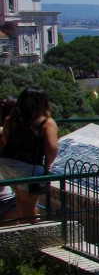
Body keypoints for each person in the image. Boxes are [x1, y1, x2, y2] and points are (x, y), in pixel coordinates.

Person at [0, 87, 58, 224]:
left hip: (6, 164)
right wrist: (46, 167)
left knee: (20, 199)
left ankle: (22, 233)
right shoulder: (46, 123)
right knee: (30, 204)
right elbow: (52, 148)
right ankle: (31, 237)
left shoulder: (11, 120)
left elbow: (7, 140)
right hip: (29, 167)